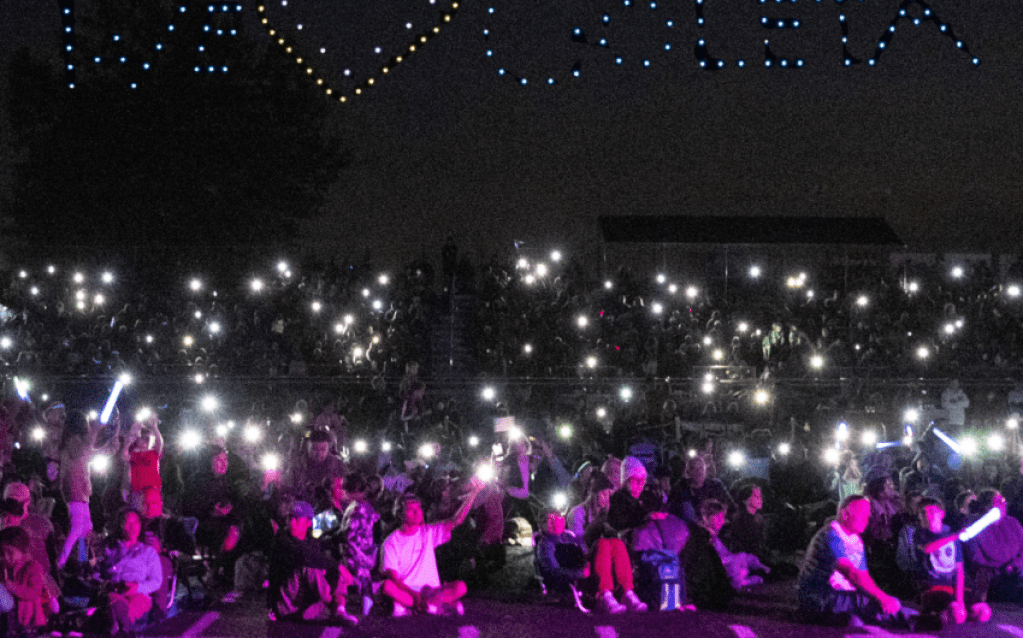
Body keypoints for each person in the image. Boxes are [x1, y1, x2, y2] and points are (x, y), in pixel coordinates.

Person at [797, 495, 910, 627]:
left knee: (874, 604)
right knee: (872, 603)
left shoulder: (855, 540)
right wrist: (882, 598)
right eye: (862, 514)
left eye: (868, 515)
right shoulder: (831, 536)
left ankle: (845, 618)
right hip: (818, 595)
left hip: (839, 594)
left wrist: (881, 598)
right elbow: (851, 573)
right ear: (845, 514)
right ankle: (911, 621)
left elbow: (863, 576)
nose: (867, 520)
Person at [380, 477, 485, 617]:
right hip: (407, 589)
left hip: (431, 590)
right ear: (400, 514)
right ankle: (434, 606)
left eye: (419, 508)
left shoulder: (428, 532)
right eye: (412, 510)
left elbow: (456, 520)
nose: (418, 513)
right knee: (387, 586)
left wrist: (473, 493)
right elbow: (393, 577)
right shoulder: (391, 541)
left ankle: (412, 607)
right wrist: (414, 594)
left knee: (460, 587)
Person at [896, 497, 991, 627]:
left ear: (942, 513)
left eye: (931, 511)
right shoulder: (918, 535)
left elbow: (959, 570)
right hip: (933, 587)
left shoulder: (952, 536)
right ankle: (938, 615)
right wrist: (955, 537)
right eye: (923, 513)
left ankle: (946, 615)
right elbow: (928, 548)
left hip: (954, 587)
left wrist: (960, 601)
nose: (927, 515)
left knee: (983, 612)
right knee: (957, 614)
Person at [267, 501, 358, 625]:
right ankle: (334, 607)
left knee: (330, 567)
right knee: (310, 566)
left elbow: (335, 517)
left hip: (304, 610)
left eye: (297, 519)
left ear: (309, 522)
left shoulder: (311, 536)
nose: (292, 522)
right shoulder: (282, 539)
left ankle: (340, 611)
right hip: (284, 607)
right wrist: (338, 567)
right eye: (290, 518)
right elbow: (305, 555)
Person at [57, 410, 119, 570]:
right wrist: (98, 430)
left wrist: (113, 438)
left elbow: (95, 452)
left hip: (80, 493)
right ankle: (60, 563)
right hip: (75, 491)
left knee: (86, 530)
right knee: (77, 529)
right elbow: (84, 451)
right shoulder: (73, 442)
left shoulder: (77, 443)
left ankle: (84, 562)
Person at [100, 509, 163, 635]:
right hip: (116, 591)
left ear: (140, 526)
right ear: (121, 526)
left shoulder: (148, 552)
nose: (132, 527)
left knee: (117, 606)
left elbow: (157, 581)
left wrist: (137, 587)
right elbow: (101, 572)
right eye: (127, 523)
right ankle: (123, 629)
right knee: (111, 599)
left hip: (138, 595)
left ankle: (119, 627)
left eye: (135, 523)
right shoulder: (112, 549)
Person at [338, 473, 380, 616]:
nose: (342, 492)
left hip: (356, 551)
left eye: (345, 489)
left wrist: (338, 538)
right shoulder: (361, 506)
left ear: (354, 491)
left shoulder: (358, 509)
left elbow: (349, 533)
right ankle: (365, 605)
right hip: (362, 550)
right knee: (363, 579)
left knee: (352, 577)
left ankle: (348, 607)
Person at [0, 526, 55, 632]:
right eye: (2, 553)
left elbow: (34, 592)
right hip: (10, 619)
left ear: (23, 550)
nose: (6, 557)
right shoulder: (4, 567)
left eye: (10, 553)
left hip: (28, 620)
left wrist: (14, 588)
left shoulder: (32, 567)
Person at [286, 431, 345, 504]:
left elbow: (346, 489)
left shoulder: (337, 464)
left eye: (323, 449)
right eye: (314, 449)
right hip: (302, 506)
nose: (319, 453)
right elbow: (287, 489)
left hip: (330, 505)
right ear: (307, 447)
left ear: (328, 448)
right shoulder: (297, 464)